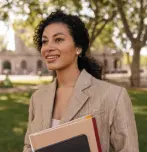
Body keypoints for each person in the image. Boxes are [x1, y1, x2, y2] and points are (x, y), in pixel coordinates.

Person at [23, 10, 139, 152]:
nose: (48, 47)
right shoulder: (37, 98)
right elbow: (29, 146)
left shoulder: (114, 96)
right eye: (45, 41)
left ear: (78, 47)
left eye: (58, 39)